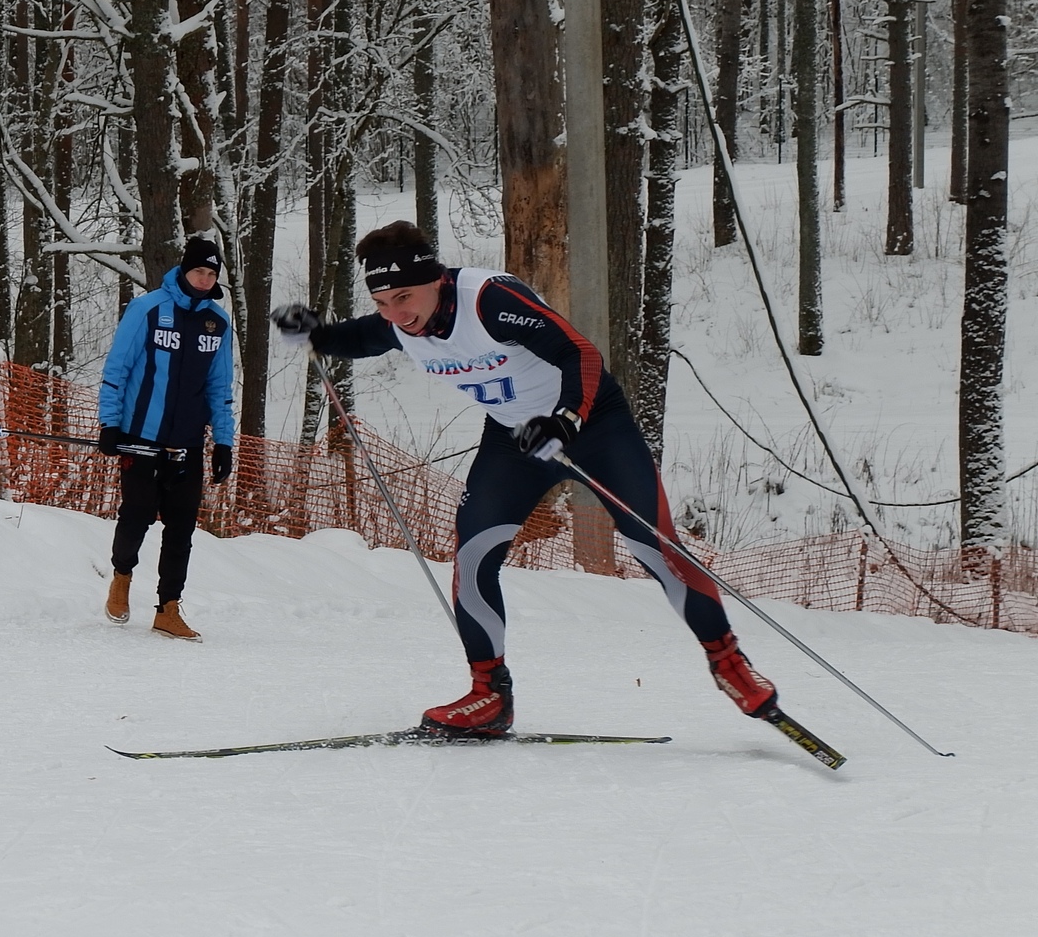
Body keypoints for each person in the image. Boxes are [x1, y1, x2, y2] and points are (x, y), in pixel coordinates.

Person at [272, 219, 781, 736]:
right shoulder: (402, 323)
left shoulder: (487, 300)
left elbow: (578, 352)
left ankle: (728, 662)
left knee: (656, 547)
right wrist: (316, 333)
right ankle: (489, 695)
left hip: (593, 425)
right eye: (383, 303)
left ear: (437, 279)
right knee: (473, 554)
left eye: (404, 296)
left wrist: (566, 419)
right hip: (515, 439)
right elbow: (361, 336)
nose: (396, 314)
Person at [95, 235, 237, 639]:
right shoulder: (148, 308)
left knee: (181, 528)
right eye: (199, 271)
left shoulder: (217, 323)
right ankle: (122, 577)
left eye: (211, 273)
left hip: (187, 443)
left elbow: (220, 388)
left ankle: (168, 607)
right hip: (141, 436)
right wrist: (109, 425)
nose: (205, 279)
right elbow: (117, 369)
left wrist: (223, 442)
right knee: (136, 517)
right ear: (184, 270)